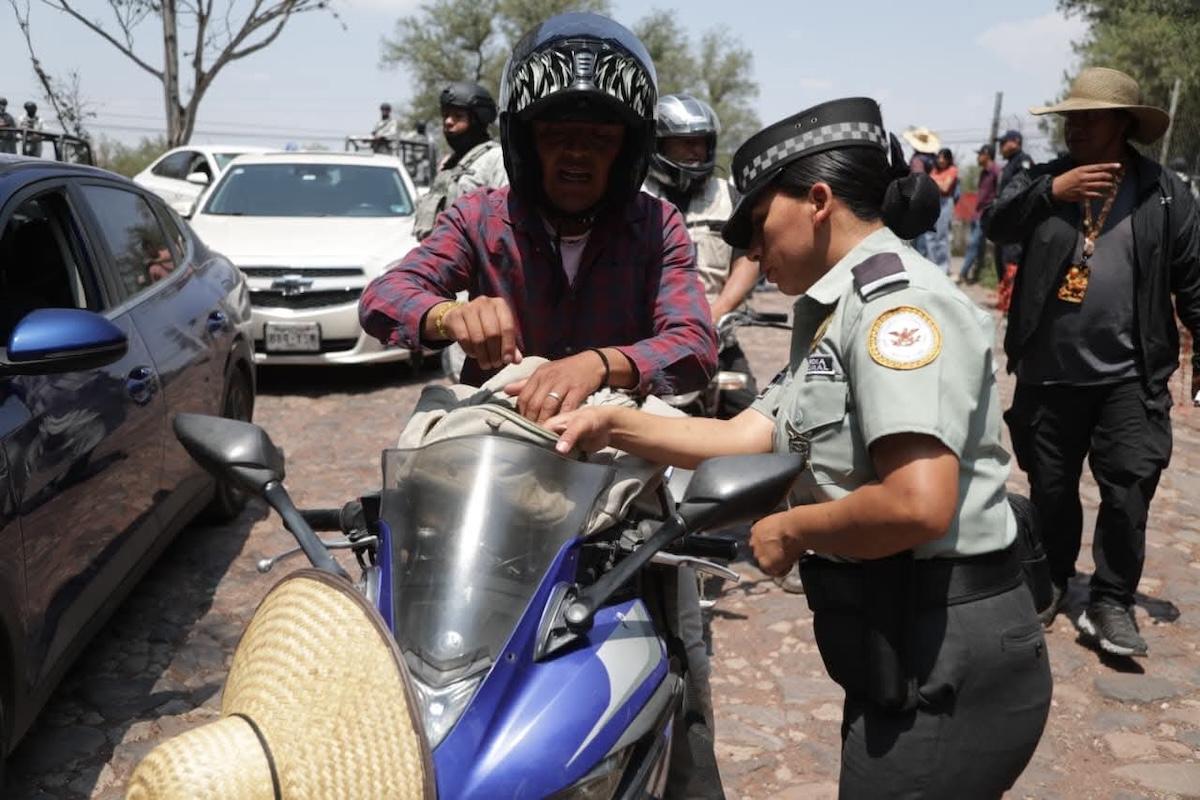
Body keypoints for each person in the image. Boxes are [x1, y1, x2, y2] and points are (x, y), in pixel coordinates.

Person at [548, 96, 1052, 798]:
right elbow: (738, 436)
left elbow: (917, 503)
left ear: (817, 201)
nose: (752, 253)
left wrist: (792, 527)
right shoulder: (835, 315)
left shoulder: (896, 311)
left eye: (757, 226)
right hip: (895, 638)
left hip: (945, 647)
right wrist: (609, 424)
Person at [360, 15, 720, 798]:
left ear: (628, 147)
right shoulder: (480, 216)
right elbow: (385, 296)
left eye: (601, 134)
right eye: (559, 132)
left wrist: (606, 363)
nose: (578, 151)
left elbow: (695, 341)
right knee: (385, 667)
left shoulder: (657, 225)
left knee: (683, 665)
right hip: (480, 498)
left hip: (610, 502)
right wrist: (446, 315)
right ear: (525, 140)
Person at [987, 66, 1200, 657]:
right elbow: (993, 224)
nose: (1074, 128)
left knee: (1130, 488)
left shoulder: (1163, 193)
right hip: (1049, 374)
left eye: (1088, 117)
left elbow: (1193, 279)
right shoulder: (1043, 180)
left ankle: (1111, 600)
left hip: (1131, 377)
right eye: (1070, 118)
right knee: (1051, 488)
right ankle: (1052, 579)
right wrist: (1051, 194)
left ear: (1122, 125)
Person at [642, 92, 760, 416]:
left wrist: (718, 311)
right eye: (685, 142)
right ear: (658, 145)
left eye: (702, 142)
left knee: (756, 421)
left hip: (718, 340)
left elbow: (749, 257)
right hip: (648, 343)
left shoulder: (729, 197)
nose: (697, 152)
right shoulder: (633, 197)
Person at [411, 81, 508, 241]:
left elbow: (504, 223)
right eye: (445, 115)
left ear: (477, 120)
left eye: (458, 116)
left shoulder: (496, 158)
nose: (448, 122)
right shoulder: (450, 164)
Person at [989, 129, 1034, 311]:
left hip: (1015, 220)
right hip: (1003, 219)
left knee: (1011, 260)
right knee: (1000, 259)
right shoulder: (1009, 164)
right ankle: (1005, 299)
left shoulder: (1023, 162)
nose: (1001, 147)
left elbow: (1023, 190)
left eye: (1004, 142)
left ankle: (1012, 302)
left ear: (1015, 141)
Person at [959, 143, 1000, 284]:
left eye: (980, 154)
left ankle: (962, 273)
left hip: (985, 214)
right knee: (979, 246)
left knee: (973, 244)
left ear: (987, 154)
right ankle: (976, 275)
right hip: (977, 214)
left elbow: (999, 193)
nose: (978, 157)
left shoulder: (996, 171)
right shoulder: (983, 172)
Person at [901, 126, 938, 257]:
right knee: (930, 236)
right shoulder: (934, 159)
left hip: (920, 198)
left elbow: (918, 179)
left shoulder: (917, 159)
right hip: (933, 198)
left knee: (919, 236)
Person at [927, 147, 958, 275]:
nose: (940, 160)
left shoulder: (952, 170)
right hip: (934, 200)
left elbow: (945, 187)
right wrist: (938, 180)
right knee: (930, 236)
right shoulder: (935, 170)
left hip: (945, 202)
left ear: (948, 159)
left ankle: (943, 267)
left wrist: (934, 179)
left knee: (942, 236)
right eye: (939, 157)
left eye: (943, 157)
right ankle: (931, 265)